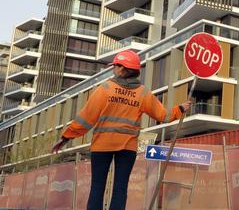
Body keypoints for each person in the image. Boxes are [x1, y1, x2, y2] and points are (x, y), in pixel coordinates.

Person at [51, 50, 191, 210]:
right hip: (127, 148)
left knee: (97, 188)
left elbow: (86, 118)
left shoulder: (105, 89)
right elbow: (163, 115)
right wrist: (179, 108)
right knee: (120, 189)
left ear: (122, 68)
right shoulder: (143, 93)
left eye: (115, 66)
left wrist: (66, 137)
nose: (113, 69)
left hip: (102, 146)